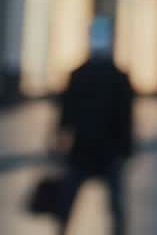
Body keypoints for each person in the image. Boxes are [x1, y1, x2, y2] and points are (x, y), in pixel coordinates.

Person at [54, 17, 135, 235]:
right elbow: (126, 118)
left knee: (71, 199)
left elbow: (65, 114)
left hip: (85, 146)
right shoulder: (118, 77)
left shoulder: (79, 74)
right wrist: (126, 150)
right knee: (113, 203)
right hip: (107, 149)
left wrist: (59, 140)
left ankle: (62, 229)